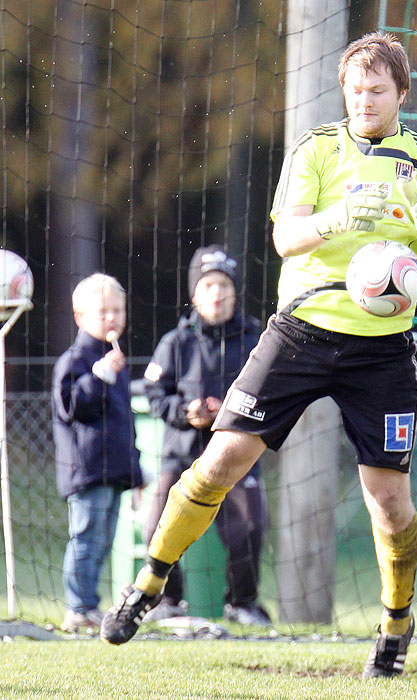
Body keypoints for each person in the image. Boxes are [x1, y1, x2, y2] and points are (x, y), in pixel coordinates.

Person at [101, 31, 417, 678]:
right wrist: (334, 221)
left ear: (401, 94)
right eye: (354, 90)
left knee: (387, 500)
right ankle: (150, 582)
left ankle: (394, 623)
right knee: (220, 461)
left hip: (381, 349)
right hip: (300, 330)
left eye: (377, 91)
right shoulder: (316, 149)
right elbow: (284, 239)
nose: (364, 101)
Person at [141, 245, 270, 626]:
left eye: (223, 285)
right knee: (158, 525)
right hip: (181, 456)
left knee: (250, 526)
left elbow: (272, 391)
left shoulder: (255, 340)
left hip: (236, 456)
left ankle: (242, 604)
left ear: (235, 290)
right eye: (208, 284)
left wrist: (231, 416)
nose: (216, 293)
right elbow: (154, 394)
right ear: (195, 292)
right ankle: (166, 601)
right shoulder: (174, 342)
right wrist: (186, 413)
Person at [52, 273, 143, 633]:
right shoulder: (75, 359)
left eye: (118, 310)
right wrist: (99, 375)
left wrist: (134, 472)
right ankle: (78, 607)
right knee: (86, 537)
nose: (112, 317)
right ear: (80, 317)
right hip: (86, 470)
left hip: (113, 470)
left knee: (103, 540)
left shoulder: (115, 360)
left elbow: (124, 421)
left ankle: (89, 603)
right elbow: (70, 407)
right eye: (102, 310)